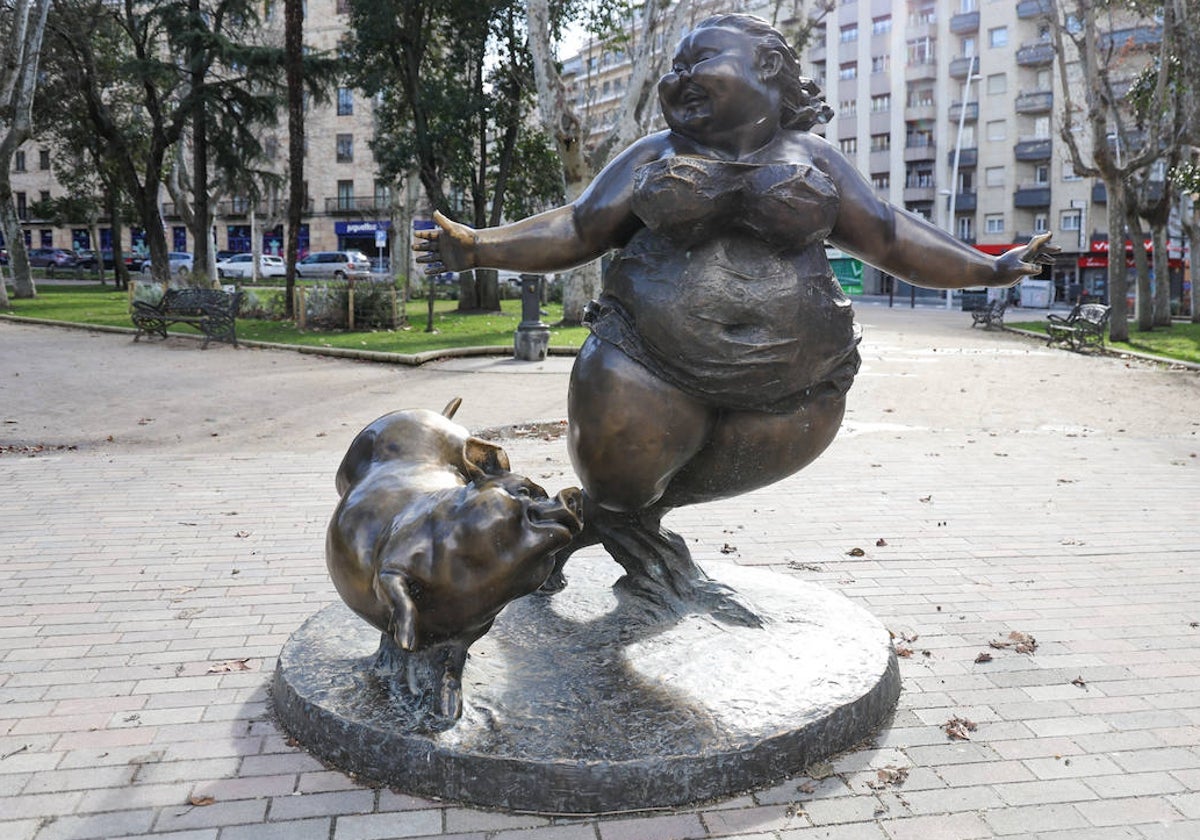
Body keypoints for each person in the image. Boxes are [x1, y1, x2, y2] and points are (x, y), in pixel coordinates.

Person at [415, 13, 1056, 621]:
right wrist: (477, 248)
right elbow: (580, 227)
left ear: (770, 67)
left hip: (795, 391)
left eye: (701, 61)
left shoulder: (815, 158)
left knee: (639, 502)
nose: (678, 79)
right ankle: (623, 543)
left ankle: (601, 528)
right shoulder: (652, 153)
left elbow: (889, 236)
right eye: (673, 67)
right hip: (644, 364)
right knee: (624, 489)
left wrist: (990, 267)